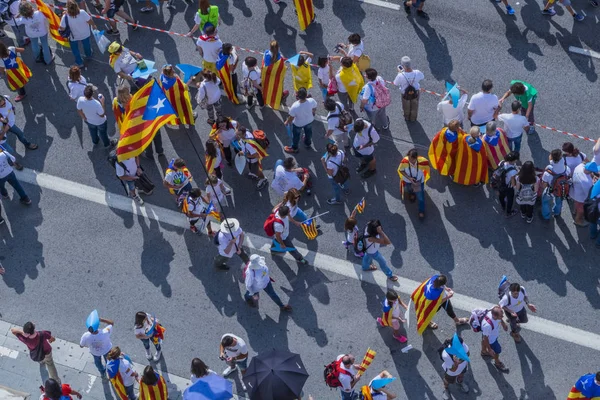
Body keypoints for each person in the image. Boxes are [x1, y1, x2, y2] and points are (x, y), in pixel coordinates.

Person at [0, 94, 38, 169]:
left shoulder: (5, 99)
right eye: (1, 106)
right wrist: (5, 130)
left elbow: (10, 107)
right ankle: (13, 163)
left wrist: (12, 111)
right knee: (9, 151)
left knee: (20, 133)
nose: (4, 105)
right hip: (2, 134)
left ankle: (27, 144)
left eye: (4, 103)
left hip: (7, 124)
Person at [59, 1, 97, 68]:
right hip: (85, 34)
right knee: (87, 45)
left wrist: (62, 16)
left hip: (74, 36)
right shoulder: (82, 12)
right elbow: (89, 20)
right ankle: (88, 55)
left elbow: (62, 28)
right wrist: (93, 25)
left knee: (75, 49)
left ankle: (79, 62)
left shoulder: (65, 16)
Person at [398, 148, 430, 219]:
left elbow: (427, 169)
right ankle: (412, 194)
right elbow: (401, 170)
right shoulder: (405, 161)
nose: (410, 161)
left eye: (412, 160)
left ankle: (421, 210)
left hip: (419, 182)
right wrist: (409, 178)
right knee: (409, 189)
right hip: (408, 181)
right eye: (409, 158)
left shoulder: (423, 162)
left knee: (420, 197)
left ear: (416, 158)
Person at [284, 87, 317, 153]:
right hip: (309, 120)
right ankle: (307, 143)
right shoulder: (311, 100)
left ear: (298, 96)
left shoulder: (295, 106)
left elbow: (291, 117)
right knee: (308, 133)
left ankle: (294, 148)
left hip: (298, 124)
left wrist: (287, 122)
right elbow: (314, 108)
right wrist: (313, 112)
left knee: (296, 136)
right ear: (306, 94)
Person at [541, 149, 571, 220]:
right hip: (560, 191)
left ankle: (546, 216)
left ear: (551, 158)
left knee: (545, 201)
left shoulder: (548, 173)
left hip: (550, 190)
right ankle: (557, 213)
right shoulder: (567, 169)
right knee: (559, 202)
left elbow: (544, 185)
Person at [235, 125, 268, 189]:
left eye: (239, 135)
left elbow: (256, 155)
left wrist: (245, 154)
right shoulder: (247, 133)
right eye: (237, 134)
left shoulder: (249, 144)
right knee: (252, 169)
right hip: (249, 159)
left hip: (253, 160)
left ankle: (263, 178)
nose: (238, 136)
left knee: (256, 170)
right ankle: (254, 173)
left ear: (244, 134)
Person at [393, 56, 424, 122]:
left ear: (403, 66)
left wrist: (399, 72)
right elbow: (422, 77)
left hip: (405, 92)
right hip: (415, 91)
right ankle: (413, 118)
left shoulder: (400, 75)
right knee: (415, 105)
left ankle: (407, 116)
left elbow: (395, 83)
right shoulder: (417, 72)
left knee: (406, 105)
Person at [480, 305, 509, 372]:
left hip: (489, 334)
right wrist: (489, 349)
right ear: (495, 316)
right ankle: (497, 362)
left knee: (483, 340)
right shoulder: (488, 326)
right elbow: (485, 338)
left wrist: (503, 324)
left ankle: (483, 351)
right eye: (501, 316)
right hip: (491, 340)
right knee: (498, 350)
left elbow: (484, 337)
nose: (502, 317)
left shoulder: (493, 312)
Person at [571, 162, 597, 227]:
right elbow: (587, 195)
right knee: (581, 211)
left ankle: (574, 211)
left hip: (573, 191)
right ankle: (577, 221)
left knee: (576, 204)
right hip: (581, 198)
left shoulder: (579, 167)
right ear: (591, 171)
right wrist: (593, 183)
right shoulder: (587, 182)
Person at [496, 152, 519, 218]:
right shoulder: (513, 171)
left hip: (500, 184)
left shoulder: (501, 162)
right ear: (514, 160)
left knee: (501, 196)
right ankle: (508, 212)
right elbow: (513, 183)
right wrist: (515, 187)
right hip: (508, 187)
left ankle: (503, 206)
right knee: (510, 199)